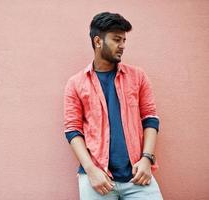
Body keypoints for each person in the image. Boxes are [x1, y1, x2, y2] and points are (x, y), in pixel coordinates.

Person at [63, 12, 163, 199]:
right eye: (117, 40)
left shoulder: (138, 77)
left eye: (124, 40)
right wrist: (91, 170)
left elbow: (150, 119)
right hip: (97, 177)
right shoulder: (75, 83)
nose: (123, 46)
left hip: (137, 174)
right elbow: (72, 130)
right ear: (98, 41)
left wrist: (146, 159)